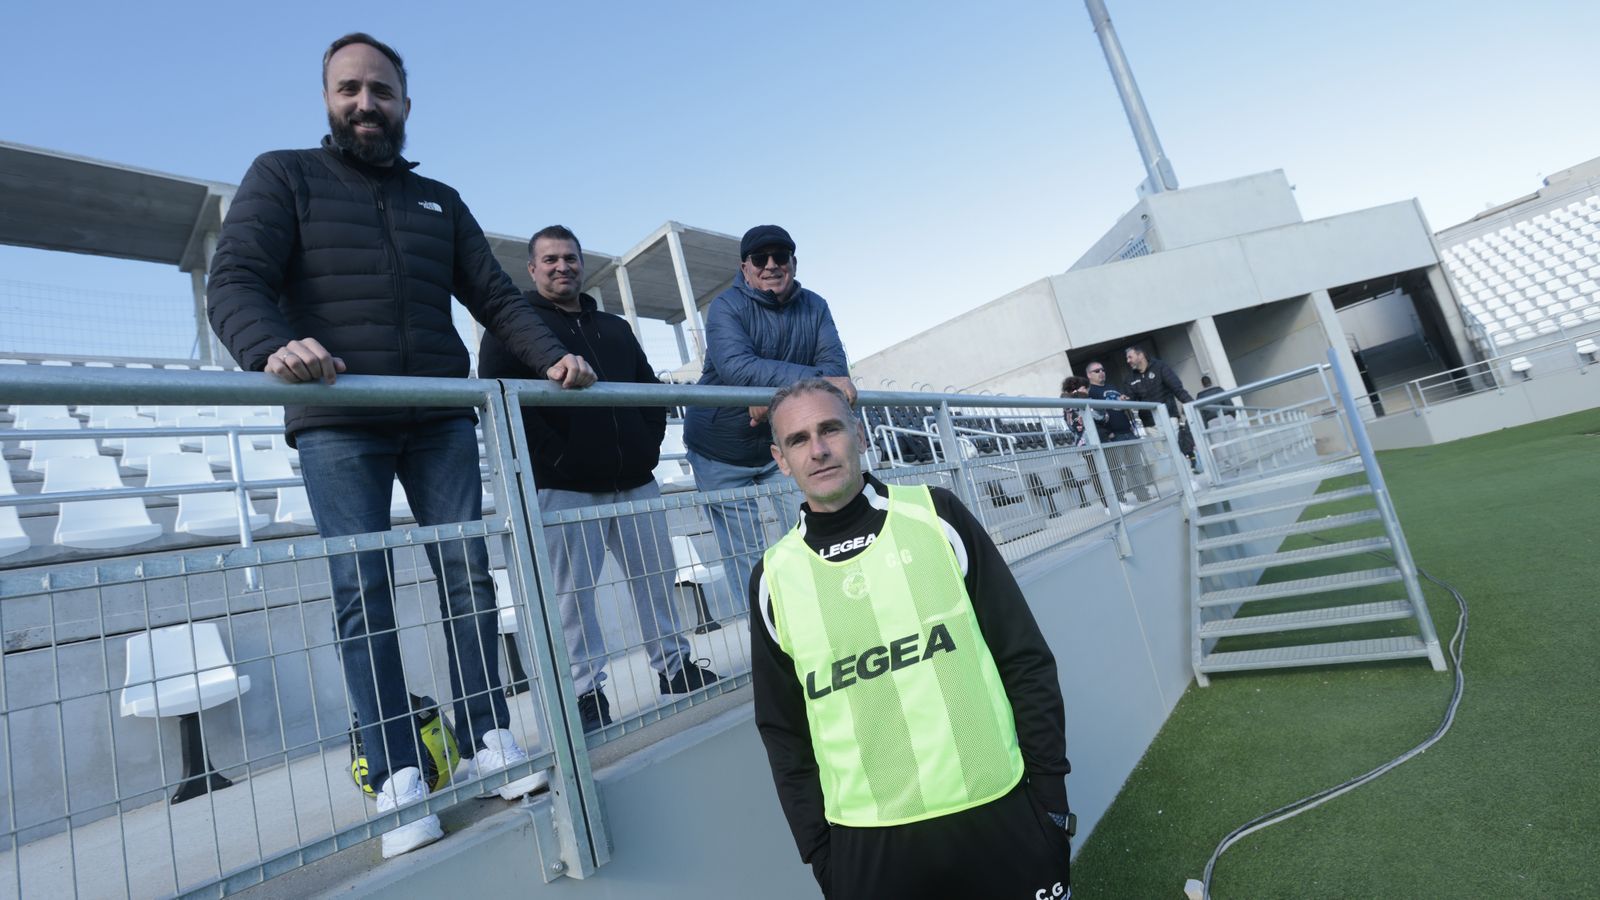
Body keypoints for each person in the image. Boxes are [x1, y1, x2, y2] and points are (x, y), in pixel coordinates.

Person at [206, 33, 595, 858]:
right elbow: (234, 278)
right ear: (327, 99)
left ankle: (489, 738)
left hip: (439, 417)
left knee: (467, 575)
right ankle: (396, 776)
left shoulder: (439, 201)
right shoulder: (284, 175)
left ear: (405, 105)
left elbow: (497, 299)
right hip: (337, 418)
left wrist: (552, 357)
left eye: (380, 91)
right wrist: (270, 346)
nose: (365, 103)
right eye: (349, 89)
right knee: (363, 590)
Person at [751, 379, 1072, 899]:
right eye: (798, 439)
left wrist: (1051, 796)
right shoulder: (773, 577)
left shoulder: (936, 516)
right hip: (868, 845)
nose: (819, 449)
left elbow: (1024, 657)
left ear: (859, 435)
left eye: (831, 429)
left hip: (997, 809)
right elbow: (783, 730)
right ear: (781, 459)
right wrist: (821, 855)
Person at [477, 226, 719, 735]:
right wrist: (561, 457)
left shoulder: (615, 328)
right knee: (573, 599)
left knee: (656, 581)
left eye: (570, 257)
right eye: (550, 259)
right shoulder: (512, 328)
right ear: (532, 268)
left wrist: (647, 444)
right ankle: (586, 693)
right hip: (564, 487)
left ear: (581, 264)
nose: (562, 266)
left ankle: (675, 668)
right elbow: (502, 403)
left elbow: (648, 391)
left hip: (634, 479)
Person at [683, 225, 853, 625]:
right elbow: (738, 368)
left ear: (793, 263)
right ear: (745, 268)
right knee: (746, 555)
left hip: (783, 447)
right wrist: (791, 390)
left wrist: (771, 398)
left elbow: (836, 367)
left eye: (781, 257)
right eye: (760, 259)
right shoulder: (725, 307)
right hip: (720, 449)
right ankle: (771, 634)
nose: (771, 265)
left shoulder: (816, 306)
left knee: (811, 534)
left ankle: (826, 623)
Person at [1086, 361, 1153, 503]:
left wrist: (1124, 400)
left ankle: (1142, 494)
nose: (1101, 372)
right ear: (1089, 375)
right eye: (1096, 371)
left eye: (1102, 369)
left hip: (1128, 431)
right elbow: (1093, 416)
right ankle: (1119, 501)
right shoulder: (1091, 392)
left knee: (1136, 466)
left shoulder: (1111, 387)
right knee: (1115, 470)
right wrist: (1107, 433)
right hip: (1113, 436)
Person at [1124, 345, 1196, 467]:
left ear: (1140, 355)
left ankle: (1189, 477)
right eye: (1127, 358)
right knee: (1166, 456)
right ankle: (1179, 478)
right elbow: (1130, 399)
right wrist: (1125, 399)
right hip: (1149, 425)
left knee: (1176, 451)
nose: (1128, 361)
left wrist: (1191, 405)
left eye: (1130, 357)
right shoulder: (1130, 378)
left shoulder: (1160, 367)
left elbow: (1177, 388)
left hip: (1168, 418)